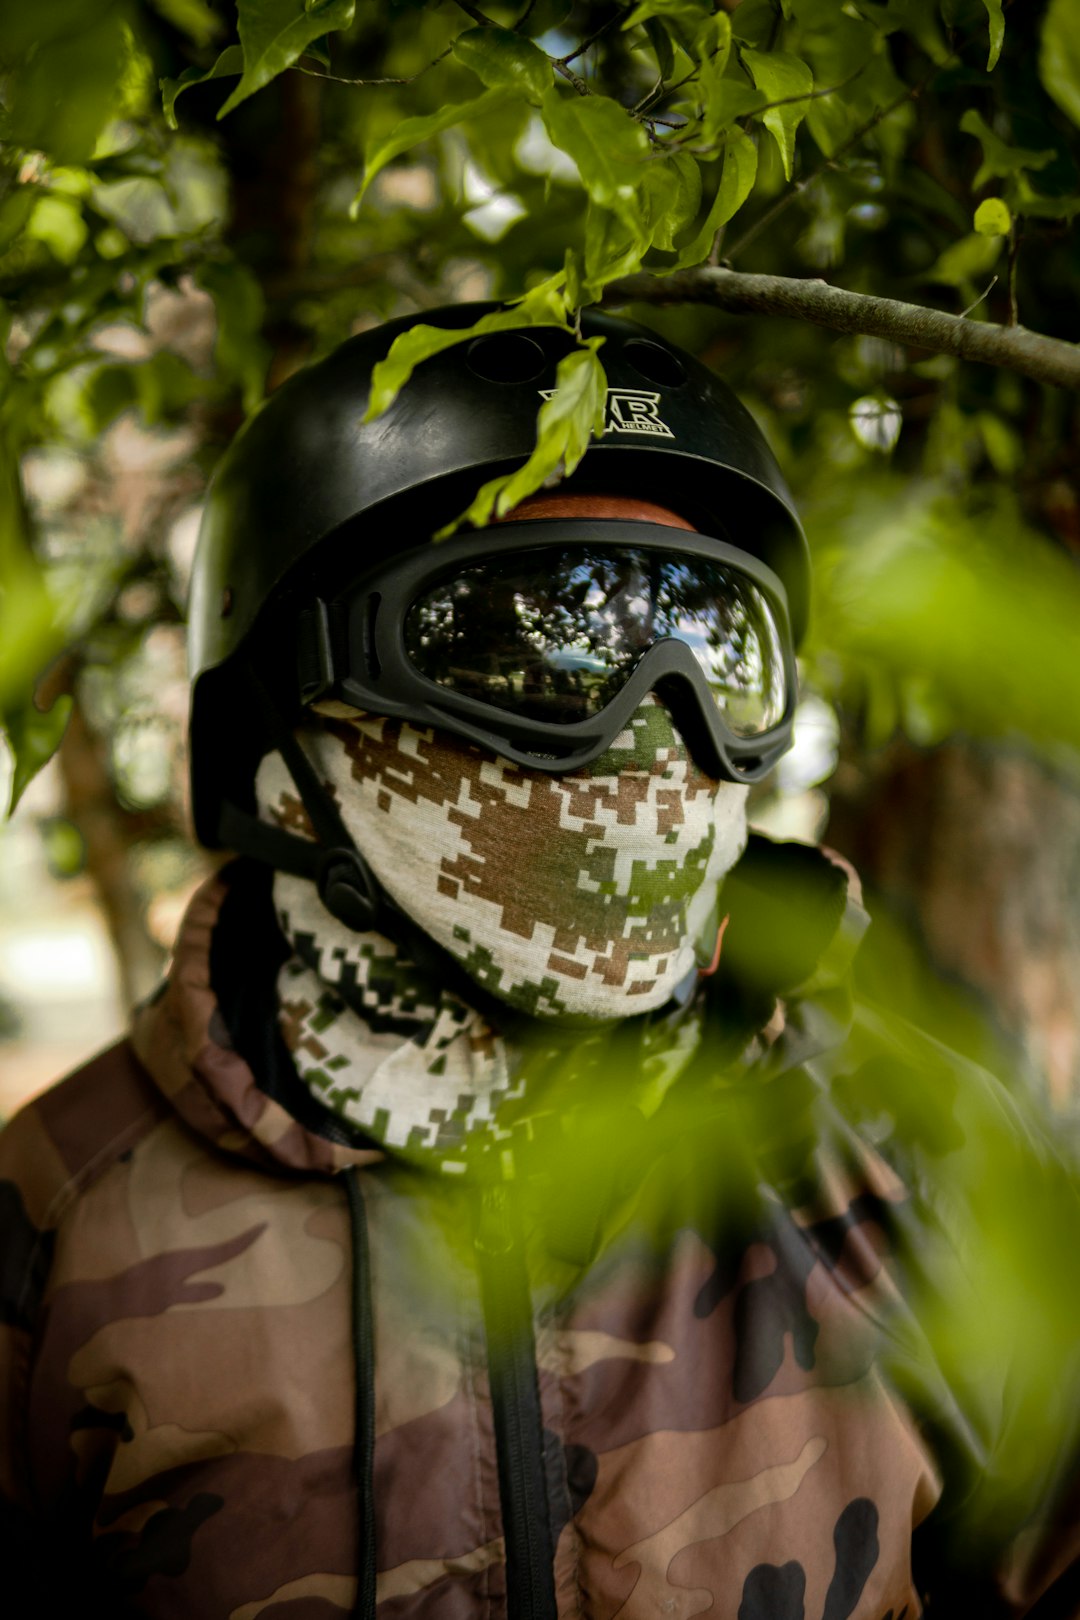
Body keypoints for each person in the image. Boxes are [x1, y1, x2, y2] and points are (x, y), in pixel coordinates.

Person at [1, 306, 1078, 1618]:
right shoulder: (54, 1224)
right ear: (289, 730)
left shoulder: (922, 1158)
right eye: (531, 649)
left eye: (710, 648)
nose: (648, 738)